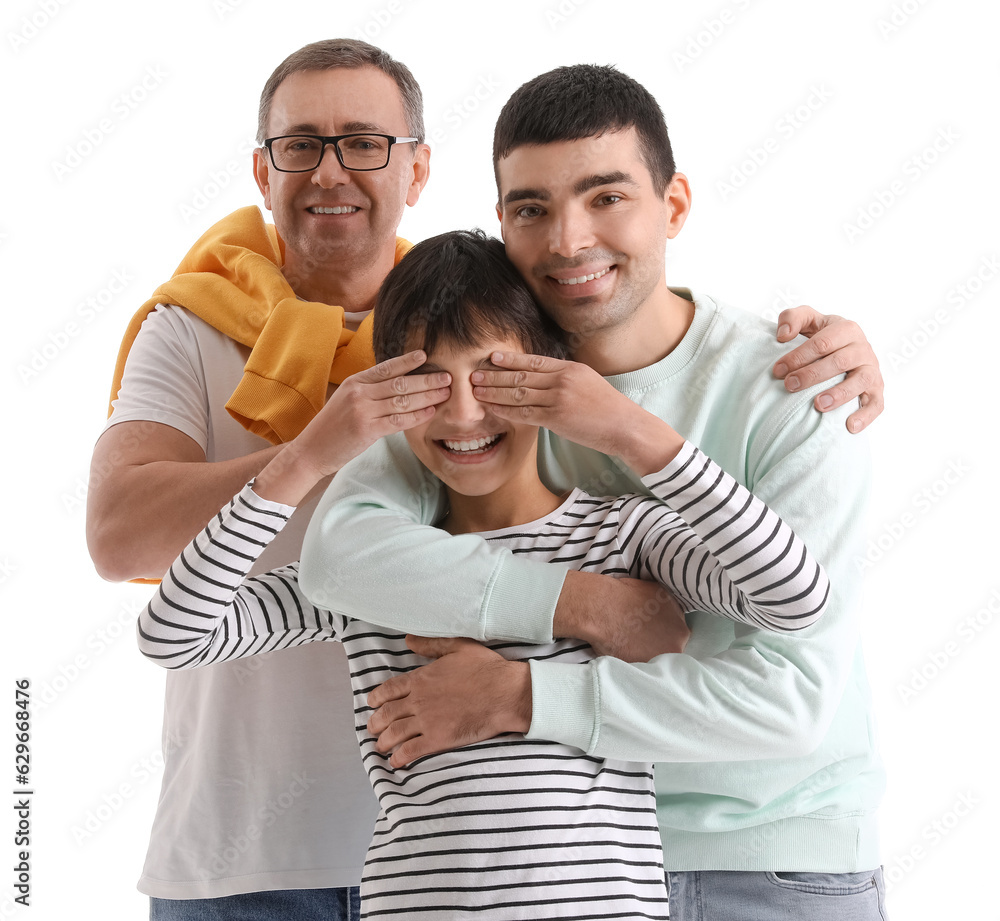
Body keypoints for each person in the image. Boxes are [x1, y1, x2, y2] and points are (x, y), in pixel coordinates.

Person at [86, 37, 883, 919]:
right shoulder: (396, 491)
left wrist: (631, 435)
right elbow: (247, 591)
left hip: (774, 849)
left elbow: (799, 615)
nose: (465, 412)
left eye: (607, 195)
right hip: (330, 853)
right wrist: (317, 452)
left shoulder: (716, 438)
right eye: (533, 207)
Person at [138, 229, 832, 919]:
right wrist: (304, 459)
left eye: (494, 375)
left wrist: (635, 435)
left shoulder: (621, 536)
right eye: (426, 383)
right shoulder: (370, 576)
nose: (464, 412)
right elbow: (172, 634)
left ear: (552, 371)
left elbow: (797, 596)